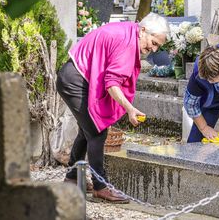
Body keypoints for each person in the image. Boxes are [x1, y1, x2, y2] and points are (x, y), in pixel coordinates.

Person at [56, 12, 169, 203]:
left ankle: (72, 177)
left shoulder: (128, 32)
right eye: (154, 42)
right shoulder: (127, 43)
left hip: (73, 75)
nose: (153, 48)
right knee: (97, 132)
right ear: (143, 31)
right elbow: (112, 83)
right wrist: (130, 108)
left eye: (158, 46)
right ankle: (101, 187)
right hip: (75, 80)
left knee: (88, 130)